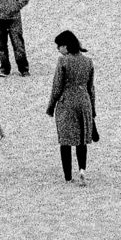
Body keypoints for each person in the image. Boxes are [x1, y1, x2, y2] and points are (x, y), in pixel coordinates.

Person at [46, 30, 98, 184]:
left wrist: (51, 106)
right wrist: (92, 109)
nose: (58, 49)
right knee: (82, 139)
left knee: (66, 140)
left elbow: (57, 86)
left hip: (66, 102)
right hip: (84, 101)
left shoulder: (63, 61)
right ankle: (82, 169)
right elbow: (91, 88)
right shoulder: (88, 61)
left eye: (59, 46)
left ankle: (68, 177)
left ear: (66, 46)